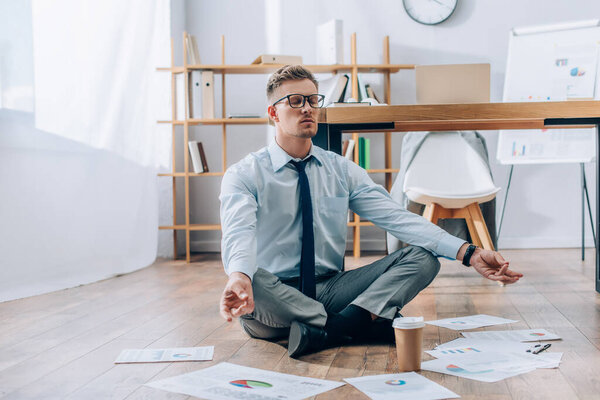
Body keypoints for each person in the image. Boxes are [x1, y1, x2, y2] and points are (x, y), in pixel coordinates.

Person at [218, 65, 522, 358]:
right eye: (295, 101)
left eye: (312, 100)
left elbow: (397, 218)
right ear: (273, 112)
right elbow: (238, 233)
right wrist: (238, 278)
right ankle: (361, 322)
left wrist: (469, 252)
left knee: (423, 257)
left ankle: (335, 329)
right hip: (275, 298)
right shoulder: (244, 174)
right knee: (252, 277)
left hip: (331, 287)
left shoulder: (340, 170)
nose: (307, 108)